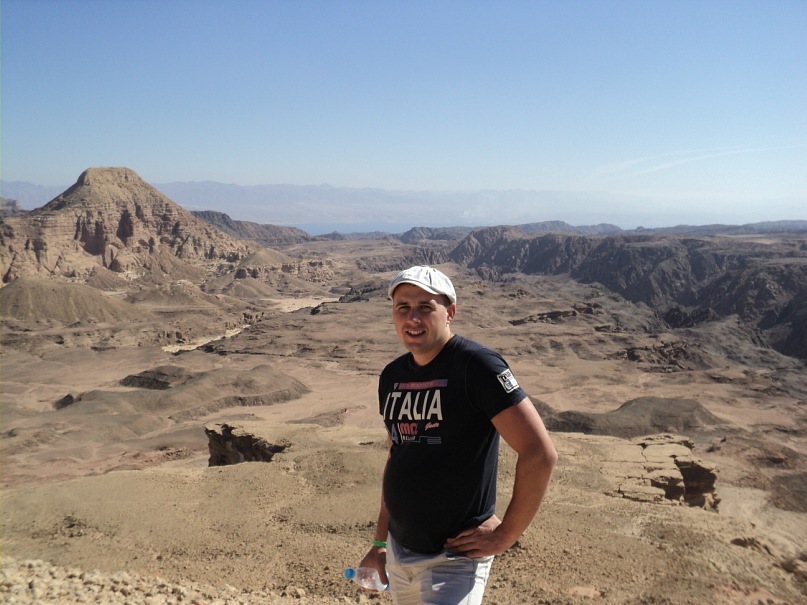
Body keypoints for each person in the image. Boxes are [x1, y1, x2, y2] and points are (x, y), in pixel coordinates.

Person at [358, 265, 558, 604]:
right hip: (398, 552)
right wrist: (379, 544)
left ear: (450, 312)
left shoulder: (477, 366)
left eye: (425, 307)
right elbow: (397, 458)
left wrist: (506, 534)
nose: (413, 318)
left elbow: (540, 453)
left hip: (454, 560)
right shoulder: (392, 375)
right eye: (403, 307)